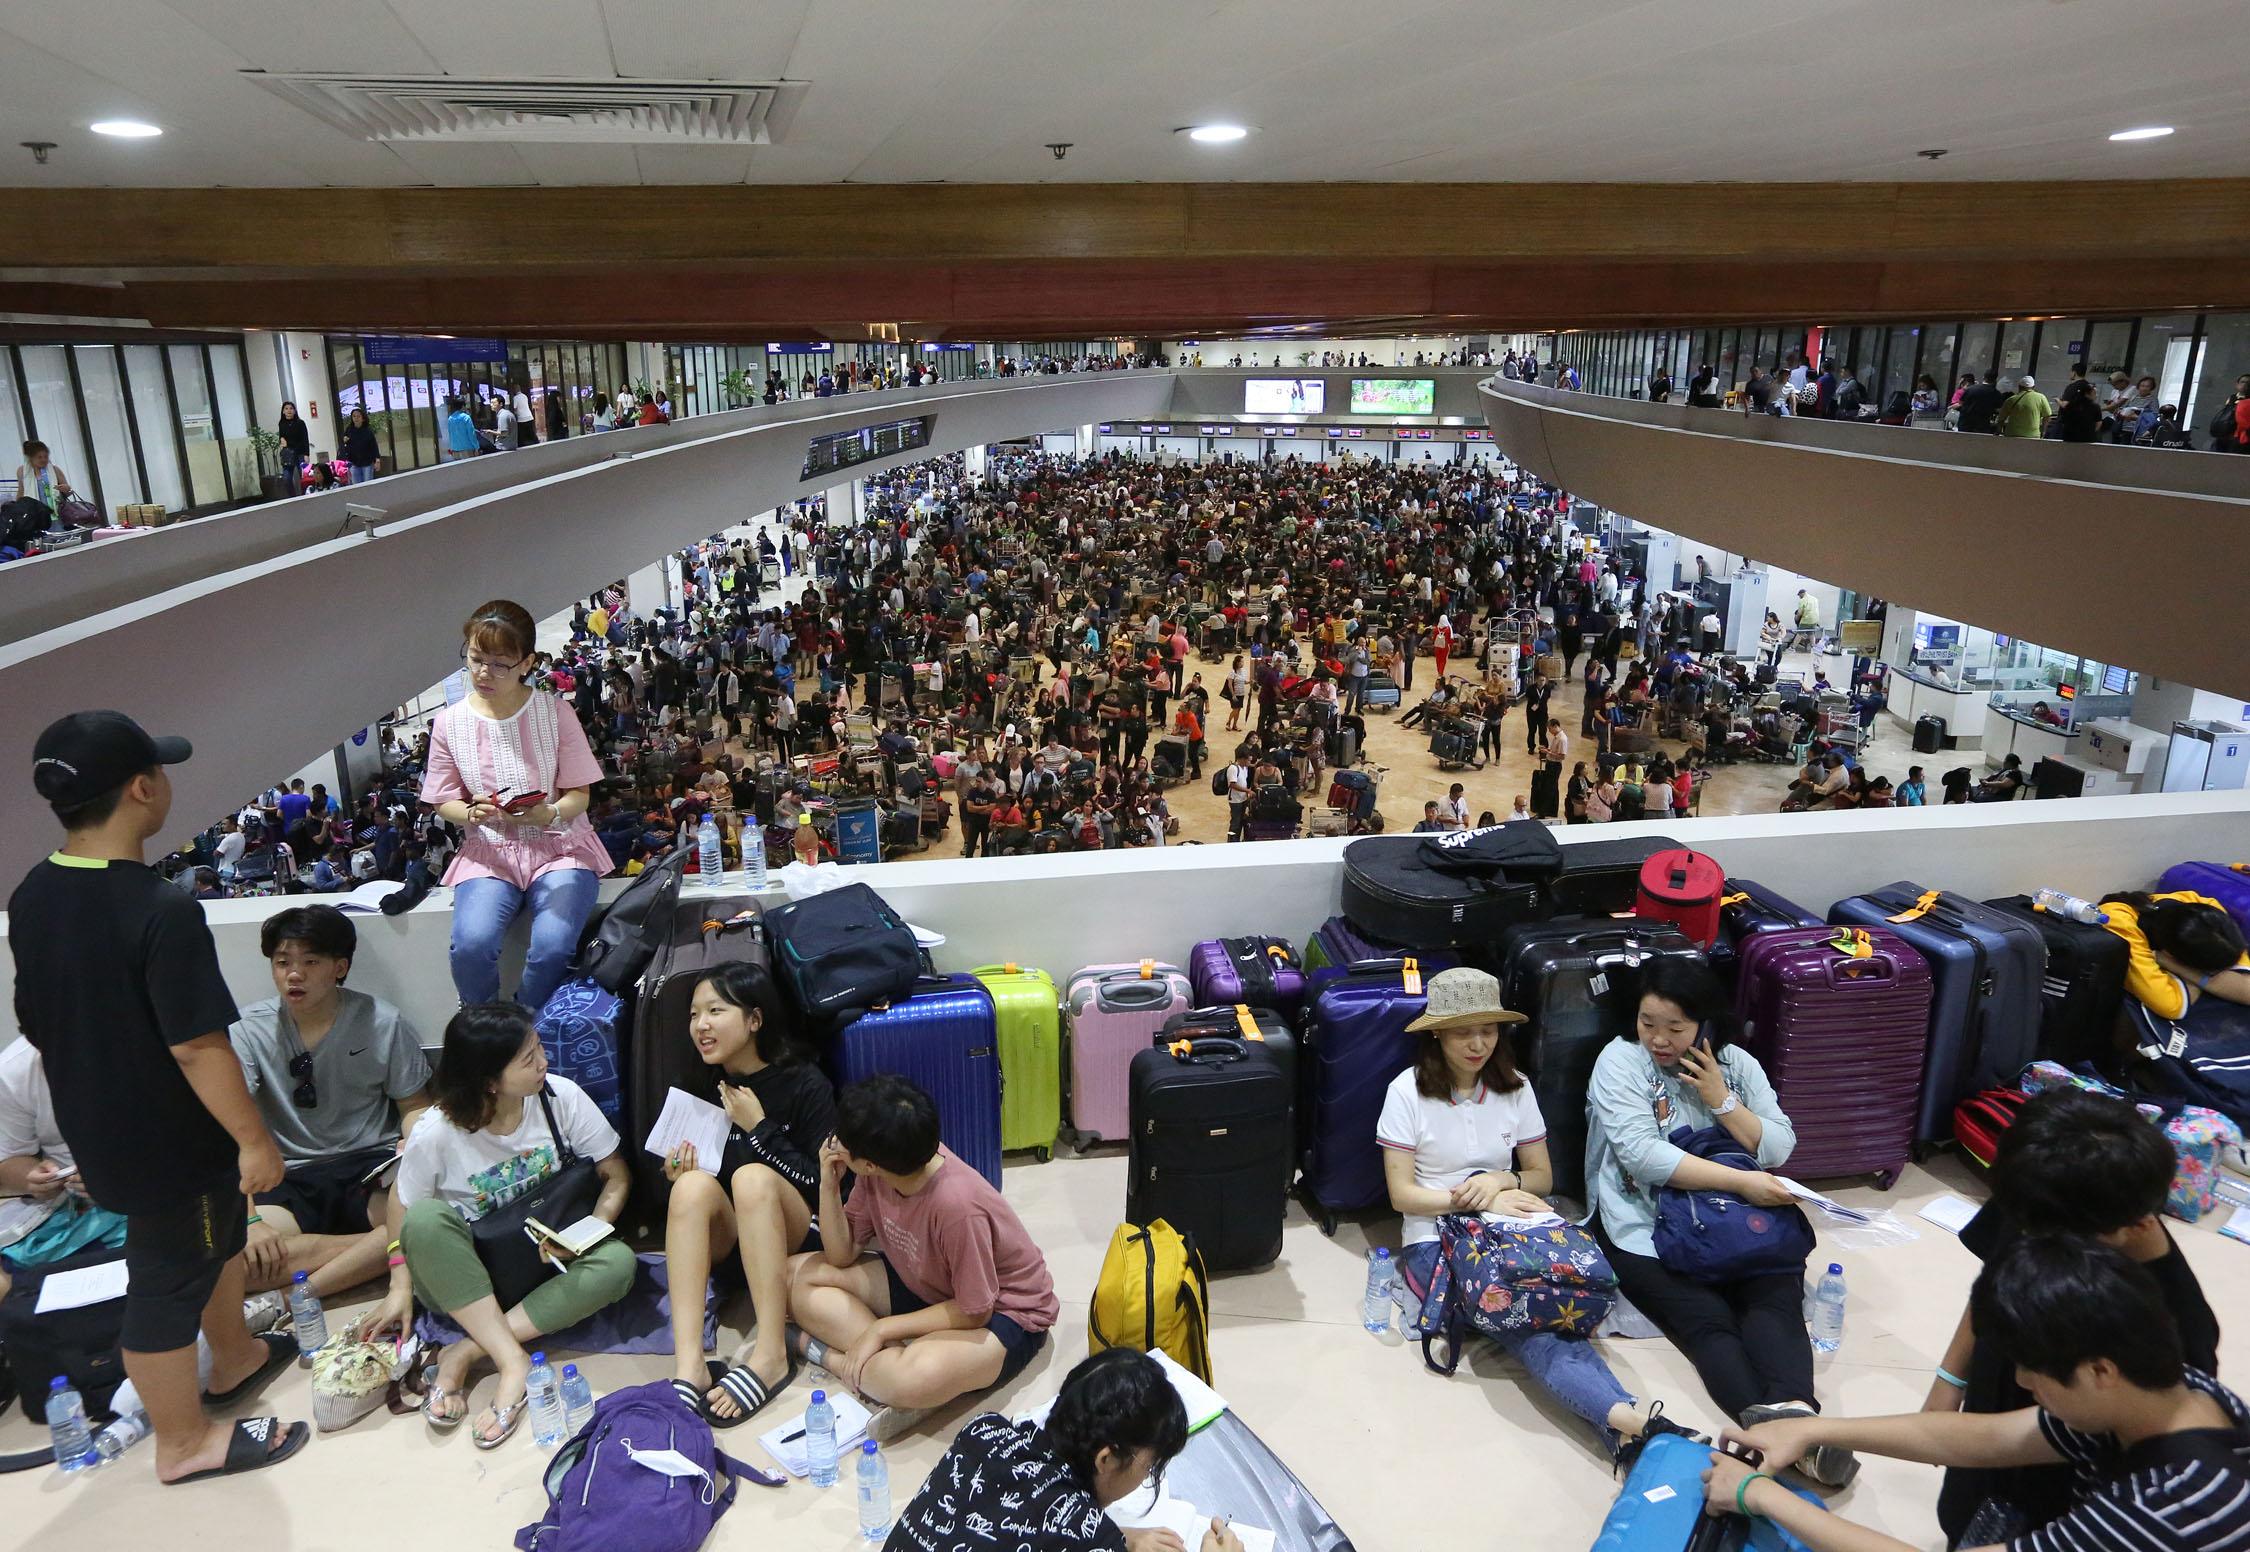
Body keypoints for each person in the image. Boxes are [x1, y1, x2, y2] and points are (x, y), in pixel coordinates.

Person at [9, 710, 308, 1483]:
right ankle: (182, 1443)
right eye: (162, 772)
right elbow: (197, 1045)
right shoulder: (160, 909)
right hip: (171, 1139)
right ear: (143, 788)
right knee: (167, 1278)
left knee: (204, 1248)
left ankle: (234, 1358)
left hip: (100, 1130)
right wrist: (253, 1139)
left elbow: (35, 1021)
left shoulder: (33, 895)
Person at [1707, 1236, 2250, 1552]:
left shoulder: (2166, 1507)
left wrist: (1760, 1494)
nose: (2021, 1385)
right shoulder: (2162, 1392)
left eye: (2034, 1372)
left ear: (2099, 1370)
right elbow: (1990, 1438)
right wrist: (1810, 1427)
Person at [1380, 967, 1702, 1461]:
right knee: (1532, 1321)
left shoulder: (1515, 1087)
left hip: (1514, 1224)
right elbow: (1403, 1195)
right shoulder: (1407, 1091)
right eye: (1464, 1031)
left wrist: (1504, 1181)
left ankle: (1631, 1430)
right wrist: (1480, 1196)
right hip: (1437, 1234)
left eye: (1488, 1030)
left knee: (1551, 1304)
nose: (1478, 1043)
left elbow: (1540, 1178)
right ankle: (1630, 1423)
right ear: (1437, 1032)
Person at [1584, 961, 1854, 1485]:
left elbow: (1779, 1146)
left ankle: (1796, 1425)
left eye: (1675, 1027)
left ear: (1705, 1023)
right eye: (1647, 1023)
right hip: (1648, 1223)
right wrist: (1740, 1183)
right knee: (1709, 1323)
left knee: (1773, 1304)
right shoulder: (1620, 1062)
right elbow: (1643, 1156)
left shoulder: (1736, 1064)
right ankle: (1796, 1443)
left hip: (1741, 1224)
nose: (1659, 1040)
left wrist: (1722, 1101)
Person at [1927, 1089, 2222, 1542]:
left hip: (2056, 1498)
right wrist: (1950, 1382)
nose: (2028, 1244)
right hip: (1987, 1443)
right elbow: (1992, 1286)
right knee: (1962, 1513)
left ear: (2135, 1224)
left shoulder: (2175, 1332)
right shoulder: (2045, 1192)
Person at [357, 1002, 633, 1448]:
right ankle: (512, 1360)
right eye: (528, 1058)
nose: (544, 1061)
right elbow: (402, 1207)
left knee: (618, 1262)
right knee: (427, 1219)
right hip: (468, 1282)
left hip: (548, 1264)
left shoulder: (559, 1098)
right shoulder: (437, 1130)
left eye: (539, 1047)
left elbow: (615, 1174)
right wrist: (399, 1285)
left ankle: (467, 1350)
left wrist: (589, 1233)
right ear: (488, 1080)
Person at [786, 1073, 1058, 1440]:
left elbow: (975, 1308)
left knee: (907, 1378)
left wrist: (879, 1330)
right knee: (794, 1277)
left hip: (1005, 1311)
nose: (835, 1144)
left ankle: (836, 1358)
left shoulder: (958, 1206)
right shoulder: (886, 1167)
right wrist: (828, 1182)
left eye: (841, 1142)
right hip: (929, 1282)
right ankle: (894, 1373)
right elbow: (841, 1254)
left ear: (867, 1164)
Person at [656, 961, 836, 1424]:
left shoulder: (805, 1082)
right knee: (692, 1187)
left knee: (751, 1178)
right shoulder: (700, 1081)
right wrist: (679, 1174)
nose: (701, 1025)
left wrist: (759, 1129)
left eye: (715, 1010)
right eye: (694, 1014)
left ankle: (772, 1353)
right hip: (733, 1243)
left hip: (792, 1232)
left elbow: (822, 1188)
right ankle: (691, 1364)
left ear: (755, 1020)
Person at [420, 600, 614, 1010]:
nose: (483, 673)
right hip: (489, 851)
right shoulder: (449, 723)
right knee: (471, 945)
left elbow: (580, 794)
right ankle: (484, 1021)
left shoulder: (555, 711)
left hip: (561, 847)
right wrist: (469, 813)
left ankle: (527, 1017)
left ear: (526, 663)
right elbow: (443, 801)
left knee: (554, 944)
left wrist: (549, 812)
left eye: (499, 664)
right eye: (475, 659)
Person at [229, 905, 430, 1301]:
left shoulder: (382, 1021)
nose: (293, 974)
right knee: (237, 1263)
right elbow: (229, 1130)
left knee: (428, 1220)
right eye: (282, 962)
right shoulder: (248, 1030)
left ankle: (301, 1291)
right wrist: (249, 1217)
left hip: (369, 1166)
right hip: (288, 1174)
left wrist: (415, 1144)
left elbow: (415, 1106)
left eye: (310, 961)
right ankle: (376, 1249)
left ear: (339, 967)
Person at [885, 1348, 1241, 1552]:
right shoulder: (1090, 1539)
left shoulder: (982, 1431)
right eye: (1148, 1468)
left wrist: (1116, 1536)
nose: (1145, 1477)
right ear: (1107, 1458)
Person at [2097, 891, 2250, 1017]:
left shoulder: (2206, 908)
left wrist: (2172, 965)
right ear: (2171, 954)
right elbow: (2171, 1006)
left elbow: (2247, 990)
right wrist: (2209, 979)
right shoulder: (2118, 925)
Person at [15, 437, 75, 518]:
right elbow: (21, 491)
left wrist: (67, 489)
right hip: (34, 515)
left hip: (56, 513)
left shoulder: (55, 470)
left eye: (46, 457)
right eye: (39, 457)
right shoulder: (22, 472)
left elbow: (69, 492)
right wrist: (16, 509)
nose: (43, 460)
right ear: (31, 458)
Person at [340, 405, 381, 485]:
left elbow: (374, 446)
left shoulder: (368, 431)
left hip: (367, 462)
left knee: (368, 485)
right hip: (354, 462)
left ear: (363, 418)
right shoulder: (349, 430)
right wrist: (344, 440)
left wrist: (377, 460)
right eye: (354, 416)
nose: (356, 418)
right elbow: (345, 444)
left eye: (358, 416)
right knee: (356, 486)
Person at [275, 401, 311, 491]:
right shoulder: (281, 424)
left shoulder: (300, 423)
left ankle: (303, 495)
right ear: (283, 411)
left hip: (300, 453)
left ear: (294, 411)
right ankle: (293, 497)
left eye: (291, 408)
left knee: (302, 478)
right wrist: (281, 439)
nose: (289, 410)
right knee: (286, 478)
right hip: (288, 454)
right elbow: (281, 437)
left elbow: (305, 439)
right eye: (286, 409)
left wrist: (307, 454)